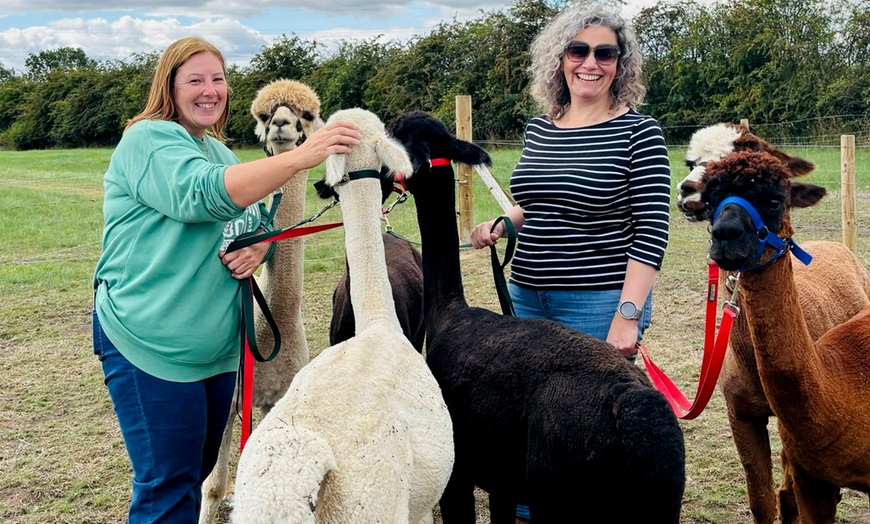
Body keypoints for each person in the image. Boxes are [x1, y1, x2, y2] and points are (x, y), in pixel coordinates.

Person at [91, 35, 361, 523]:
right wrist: (304, 154)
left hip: (215, 353)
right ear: (169, 87)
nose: (209, 90)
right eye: (194, 80)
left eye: (217, 79)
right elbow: (201, 196)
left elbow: (251, 221)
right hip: (151, 344)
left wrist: (261, 242)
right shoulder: (147, 140)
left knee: (188, 476)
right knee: (166, 489)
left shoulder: (220, 152)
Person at [469, 5, 670, 521]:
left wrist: (627, 314)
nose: (590, 63)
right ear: (560, 60)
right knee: (525, 417)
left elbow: (651, 232)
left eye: (605, 53)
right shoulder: (542, 128)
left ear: (620, 64)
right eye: (578, 50)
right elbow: (532, 202)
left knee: (587, 424)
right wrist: (502, 226)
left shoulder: (638, 134)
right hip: (525, 295)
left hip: (598, 303)